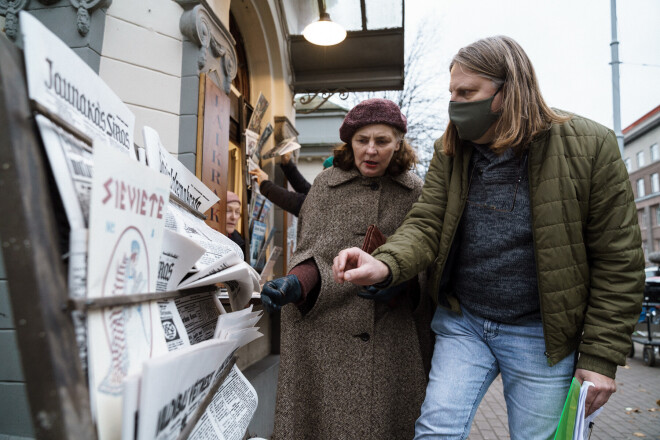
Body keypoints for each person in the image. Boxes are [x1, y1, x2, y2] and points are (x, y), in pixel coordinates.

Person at [332, 36, 645, 440]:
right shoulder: (451, 151)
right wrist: (386, 263)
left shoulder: (591, 147)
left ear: (509, 90)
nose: (455, 104)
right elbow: (427, 222)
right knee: (435, 431)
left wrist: (601, 357)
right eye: (451, 93)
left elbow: (618, 262)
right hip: (465, 323)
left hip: (542, 336)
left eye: (467, 93)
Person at [261, 99, 432, 439]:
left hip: (390, 341)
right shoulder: (325, 186)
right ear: (349, 142)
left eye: (382, 141)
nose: (371, 150)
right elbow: (313, 252)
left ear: (398, 142)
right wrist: (294, 284)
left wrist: (403, 283)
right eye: (361, 140)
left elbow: (428, 259)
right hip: (326, 338)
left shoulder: (415, 193)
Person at [249, 152, 332, 217]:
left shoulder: (328, 202)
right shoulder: (328, 194)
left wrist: (265, 184)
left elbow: (295, 201)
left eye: (324, 173)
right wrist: (287, 164)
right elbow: (306, 189)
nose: (321, 177)